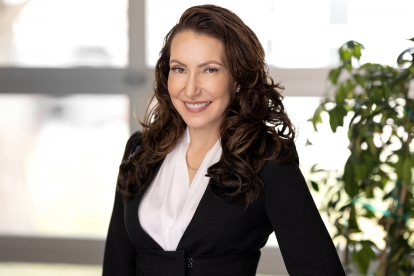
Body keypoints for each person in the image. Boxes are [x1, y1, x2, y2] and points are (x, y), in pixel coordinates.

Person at [103, 4, 345, 276]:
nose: (191, 89)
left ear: (238, 77)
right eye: (179, 69)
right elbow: (116, 263)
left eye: (210, 70)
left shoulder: (266, 161)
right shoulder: (140, 149)